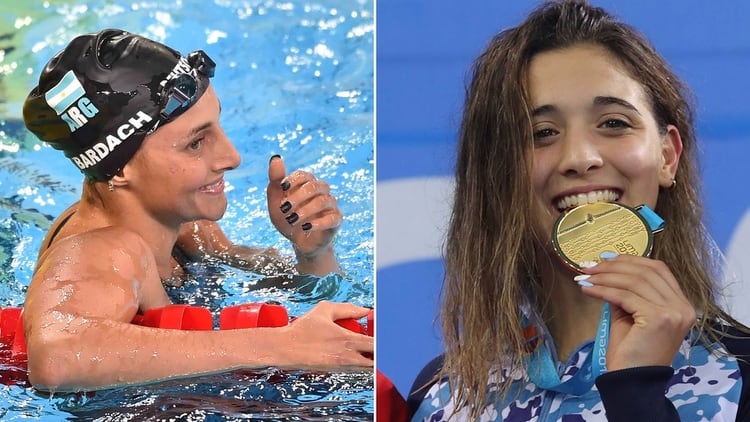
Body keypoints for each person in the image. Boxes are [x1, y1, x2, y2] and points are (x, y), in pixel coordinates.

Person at [406, 1, 750, 421]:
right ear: (497, 175)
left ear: (667, 157)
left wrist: (637, 392)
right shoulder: (443, 395)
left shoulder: (739, 376)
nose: (580, 157)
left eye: (613, 123)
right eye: (542, 133)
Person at [21, 28, 373, 392]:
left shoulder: (184, 226)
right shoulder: (102, 249)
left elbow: (295, 294)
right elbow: (56, 359)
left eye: (217, 125)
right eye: (195, 143)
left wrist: (313, 252)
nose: (231, 158)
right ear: (120, 168)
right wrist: (281, 346)